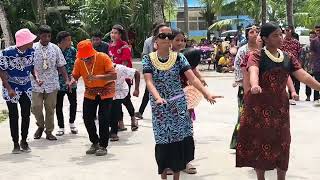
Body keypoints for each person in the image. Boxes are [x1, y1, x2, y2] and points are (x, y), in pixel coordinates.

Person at [236, 22, 320, 180]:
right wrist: (254, 85)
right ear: (265, 39)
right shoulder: (257, 55)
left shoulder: (288, 57)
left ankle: (281, 177)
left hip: (280, 108)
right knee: (260, 142)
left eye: (280, 34)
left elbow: (304, 76)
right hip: (259, 107)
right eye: (275, 35)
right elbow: (253, 71)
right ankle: (260, 177)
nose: (280, 38)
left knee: (283, 142)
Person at [142, 25, 222, 180]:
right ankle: (164, 176)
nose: (167, 39)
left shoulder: (179, 58)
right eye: (162, 36)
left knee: (179, 141)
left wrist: (207, 94)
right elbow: (149, 82)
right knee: (163, 141)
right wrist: (158, 97)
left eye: (169, 36)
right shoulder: (148, 59)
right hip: (160, 108)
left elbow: (192, 78)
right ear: (155, 40)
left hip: (178, 106)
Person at [70, 40, 117, 156]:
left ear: (93, 53)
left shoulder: (103, 57)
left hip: (106, 90)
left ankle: (103, 145)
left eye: (88, 58)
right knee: (87, 117)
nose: (85, 60)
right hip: (90, 91)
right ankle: (94, 142)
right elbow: (75, 75)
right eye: (83, 58)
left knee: (103, 118)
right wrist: (72, 81)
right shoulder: (79, 61)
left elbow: (114, 75)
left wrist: (97, 77)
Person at [171, 28, 206, 175]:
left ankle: (187, 161)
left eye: (183, 40)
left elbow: (193, 72)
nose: (181, 43)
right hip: (169, 100)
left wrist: (201, 81)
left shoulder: (186, 58)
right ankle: (171, 162)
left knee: (186, 130)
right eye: (177, 39)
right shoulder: (164, 58)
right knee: (171, 131)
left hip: (186, 99)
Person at [0, 29, 38, 153]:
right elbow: (2, 71)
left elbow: (33, 68)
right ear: (25, 41)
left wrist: (37, 78)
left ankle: (24, 141)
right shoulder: (6, 53)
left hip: (26, 87)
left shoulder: (32, 51)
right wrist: (9, 88)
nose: (33, 41)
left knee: (26, 114)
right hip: (11, 87)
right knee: (13, 115)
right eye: (31, 39)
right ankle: (15, 143)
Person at [32, 25, 70, 141]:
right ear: (39, 36)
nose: (47, 38)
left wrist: (67, 80)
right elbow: (29, 66)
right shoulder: (32, 48)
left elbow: (61, 65)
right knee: (35, 107)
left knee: (50, 108)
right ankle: (40, 126)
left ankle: (49, 131)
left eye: (49, 36)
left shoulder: (55, 48)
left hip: (52, 83)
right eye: (44, 36)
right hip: (35, 83)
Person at [230, 25, 259, 150]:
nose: (254, 34)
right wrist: (242, 83)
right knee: (243, 114)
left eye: (257, 32)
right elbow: (238, 68)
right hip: (244, 87)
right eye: (251, 32)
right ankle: (239, 142)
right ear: (247, 35)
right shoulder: (242, 50)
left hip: (259, 87)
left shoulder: (263, 50)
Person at [135, 23, 167, 120]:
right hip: (152, 69)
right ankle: (141, 111)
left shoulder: (167, 40)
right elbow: (144, 55)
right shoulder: (148, 41)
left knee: (154, 91)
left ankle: (141, 111)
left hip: (164, 68)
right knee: (149, 90)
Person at [109, 24, 137, 131]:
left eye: (115, 33)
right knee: (115, 101)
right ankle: (120, 122)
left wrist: (119, 74)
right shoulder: (110, 46)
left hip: (124, 77)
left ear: (120, 34)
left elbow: (125, 63)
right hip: (113, 78)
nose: (113, 35)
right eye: (112, 32)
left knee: (125, 99)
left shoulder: (125, 46)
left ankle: (133, 118)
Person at [55, 31, 78, 136]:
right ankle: (61, 126)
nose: (70, 42)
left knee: (73, 103)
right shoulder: (54, 50)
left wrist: (73, 78)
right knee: (58, 105)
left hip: (71, 80)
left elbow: (77, 65)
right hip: (57, 82)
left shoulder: (73, 50)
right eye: (68, 40)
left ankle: (72, 123)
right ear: (62, 41)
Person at [110, 64, 140, 141]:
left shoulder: (120, 68)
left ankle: (133, 119)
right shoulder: (100, 69)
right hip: (111, 91)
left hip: (122, 90)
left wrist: (136, 89)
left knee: (127, 103)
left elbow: (137, 73)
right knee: (114, 109)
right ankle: (118, 127)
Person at [281, 25, 302, 105]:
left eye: (289, 30)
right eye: (286, 30)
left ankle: (295, 95)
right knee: (285, 80)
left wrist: (300, 63)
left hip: (294, 64)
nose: (287, 32)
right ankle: (288, 97)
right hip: (283, 64)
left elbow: (300, 53)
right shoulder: (281, 41)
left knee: (296, 80)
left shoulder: (296, 42)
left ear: (292, 31)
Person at [302, 31, 317, 101]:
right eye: (310, 37)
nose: (311, 38)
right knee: (308, 82)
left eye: (313, 37)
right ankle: (308, 96)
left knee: (317, 81)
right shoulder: (305, 47)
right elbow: (302, 57)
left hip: (317, 66)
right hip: (307, 66)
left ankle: (316, 97)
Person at [310, 25, 320, 105]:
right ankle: (316, 99)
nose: (318, 32)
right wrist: (311, 64)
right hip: (317, 65)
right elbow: (312, 53)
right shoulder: (314, 41)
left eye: (319, 30)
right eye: (317, 31)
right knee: (316, 82)